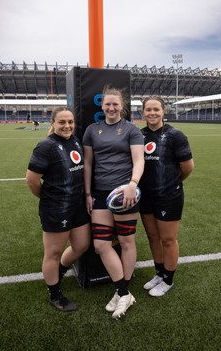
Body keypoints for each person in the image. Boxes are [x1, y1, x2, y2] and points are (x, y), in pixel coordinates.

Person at [83, 86, 144, 319]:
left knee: (127, 242)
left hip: (124, 193)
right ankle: (124, 292)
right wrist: (88, 193)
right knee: (101, 245)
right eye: (107, 104)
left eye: (115, 104)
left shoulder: (131, 129)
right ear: (102, 105)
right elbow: (88, 163)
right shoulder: (92, 129)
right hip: (99, 193)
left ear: (122, 106)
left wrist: (133, 183)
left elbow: (139, 160)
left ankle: (122, 292)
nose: (111, 108)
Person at [26, 107, 90, 311]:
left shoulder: (75, 141)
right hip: (56, 207)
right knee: (53, 252)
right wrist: (48, 198)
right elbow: (32, 180)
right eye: (62, 122)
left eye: (70, 122)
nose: (67, 126)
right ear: (53, 123)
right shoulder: (46, 146)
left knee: (81, 246)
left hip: (77, 204)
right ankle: (55, 294)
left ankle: (60, 270)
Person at [139, 96, 194, 297]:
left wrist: (172, 184)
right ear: (143, 112)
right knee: (153, 237)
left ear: (163, 111)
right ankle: (159, 273)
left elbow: (187, 167)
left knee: (168, 239)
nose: (152, 113)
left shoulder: (175, 135)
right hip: (145, 197)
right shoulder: (139, 135)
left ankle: (168, 280)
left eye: (156, 109)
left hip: (168, 196)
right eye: (148, 109)